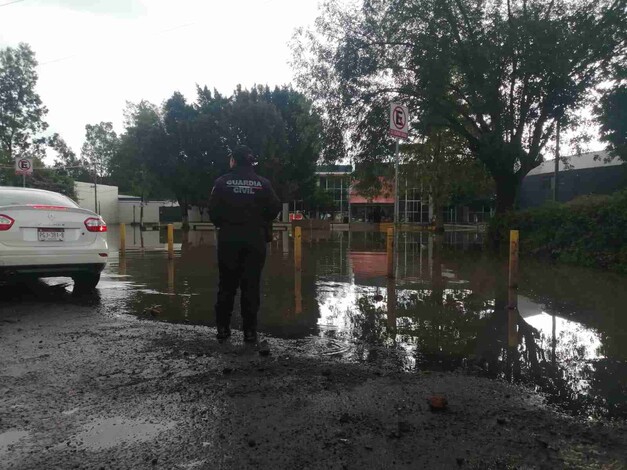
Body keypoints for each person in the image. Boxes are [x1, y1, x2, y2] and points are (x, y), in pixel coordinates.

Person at [208, 146, 282, 343]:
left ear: (233, 161)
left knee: (226, 285)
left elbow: (212, 211)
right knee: (251, 285)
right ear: (250, 162)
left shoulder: (222, 183)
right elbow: (275, 207)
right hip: (255, 240)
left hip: (228, 240)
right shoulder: (263, 184)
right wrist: (260, 222)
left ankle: (223, 329)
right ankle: (250, 332)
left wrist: (225, 223)